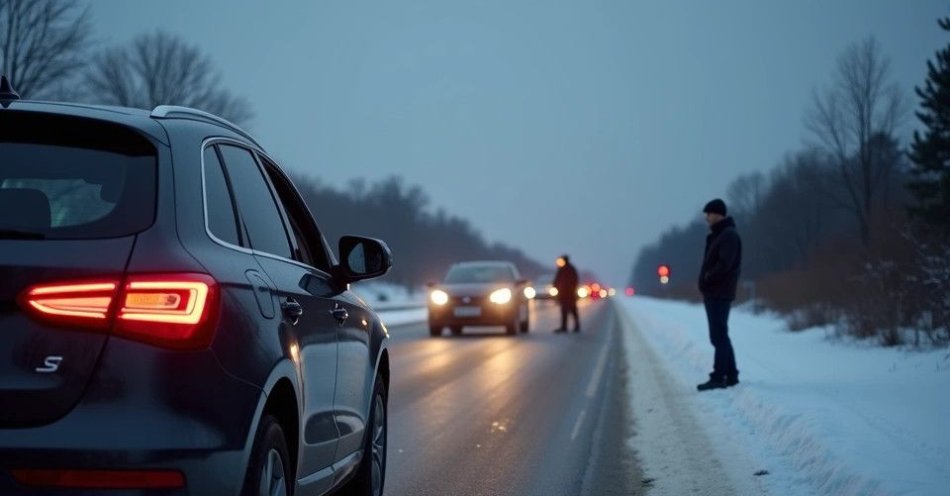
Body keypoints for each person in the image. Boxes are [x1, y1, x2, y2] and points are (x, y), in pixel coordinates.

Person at [696, 199, 742, 391]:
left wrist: (709, 277)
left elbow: (725, 264)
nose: (707, 218)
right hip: (715, 292)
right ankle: (731, 375)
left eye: (709, 214)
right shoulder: (719, 235)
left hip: (719, 292)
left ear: (718, 214)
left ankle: (718, 377)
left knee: (718, 336)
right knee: (720, 334)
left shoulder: (728, 235)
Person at [552, 255, 580, 333]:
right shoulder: (561, 269)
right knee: (564, 310)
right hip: (563, 293)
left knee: (572, 310)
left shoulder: (570, 269)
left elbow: (575, 280)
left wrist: (571, 288)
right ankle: (564, 327)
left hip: (570, 293)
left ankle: (576, 326)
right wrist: (555, 286)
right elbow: (557, 280)